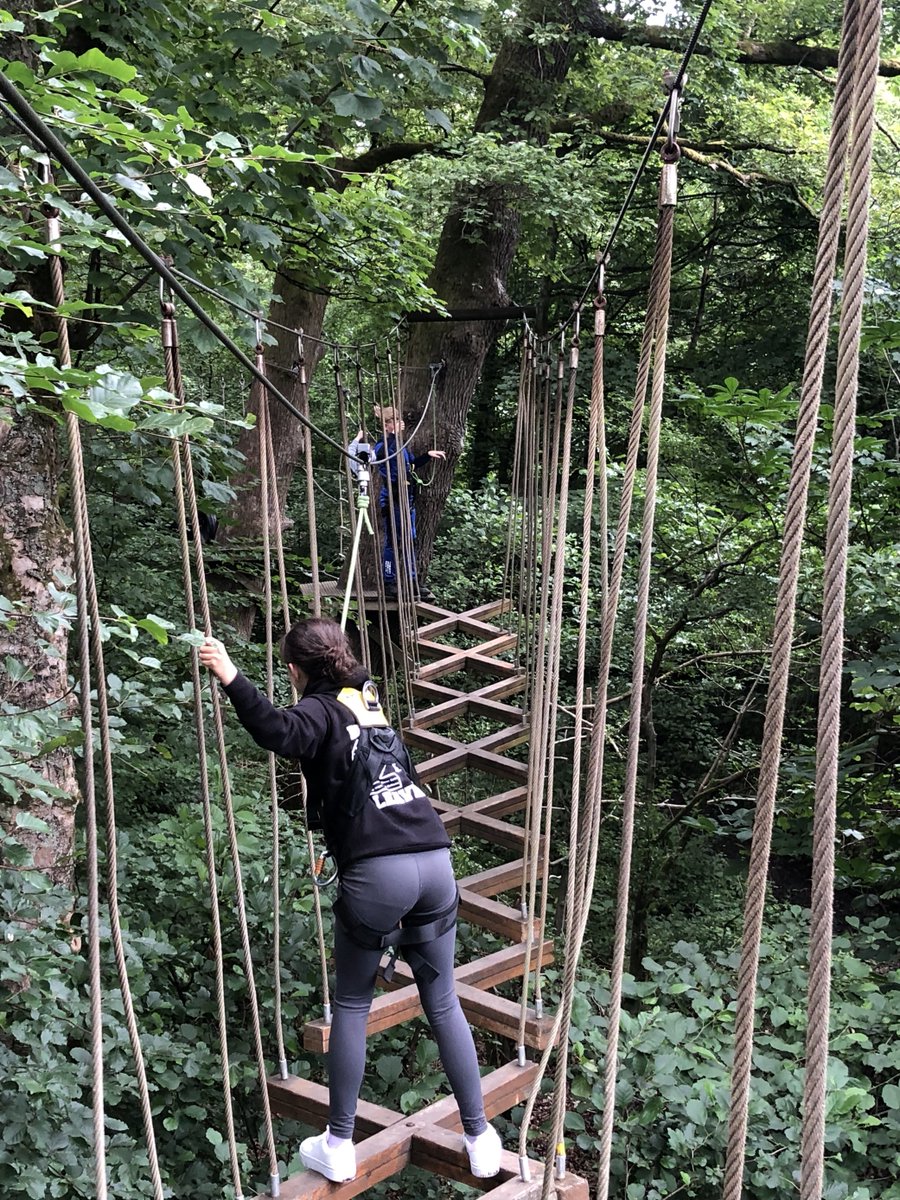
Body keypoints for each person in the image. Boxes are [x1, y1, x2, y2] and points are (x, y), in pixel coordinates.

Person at [198, 618, 502, 1184]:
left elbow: (278, 732)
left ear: (295, 669)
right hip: (434, 859)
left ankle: (339, 1142)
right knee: (442, 1000)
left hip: (377, 871)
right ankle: (481, 1136)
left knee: (354, 1007)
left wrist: (230, 675)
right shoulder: (367, 699)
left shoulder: (318, 709)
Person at [373, 406, 445, 600]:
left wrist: (427, 456)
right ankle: (389, 581)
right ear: (387, 425)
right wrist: (392, 436)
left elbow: (410, 464)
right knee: (394, 541)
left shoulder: (401, 446)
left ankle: (413, 581)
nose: (401, 423)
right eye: (396, 420)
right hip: (393, 500)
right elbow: (381, 457)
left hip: (408, 500)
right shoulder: (383, 445)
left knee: (409, 541)